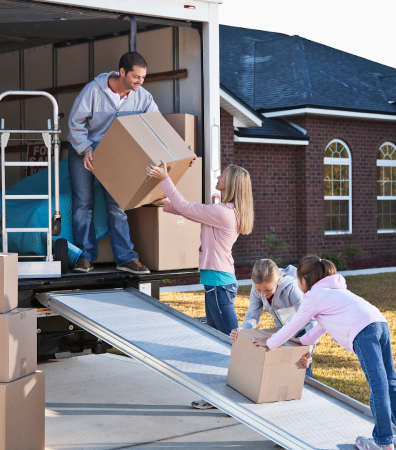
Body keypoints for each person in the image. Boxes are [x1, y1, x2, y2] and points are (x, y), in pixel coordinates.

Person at [251, 256, 396, 450]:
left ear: (304, 281)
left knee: (379, 387)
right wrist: (303, 341)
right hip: (380, 323)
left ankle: (383, 442)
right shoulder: (335, 291)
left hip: (364, 332)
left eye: (298, 280)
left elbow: (294, 325)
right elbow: (321, 326)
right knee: (390, 384)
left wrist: (270, 342)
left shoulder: (313, 296)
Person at [146, 162, 254, 410]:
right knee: (217, 343)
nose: (218, 176)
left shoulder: (224, 211)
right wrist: (160, 203)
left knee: (231, 344)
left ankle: (238, 399)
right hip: (216, 283)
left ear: (232, 183)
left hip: (218, 284)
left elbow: (187, 207)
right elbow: (186, 210)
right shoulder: (225, 210)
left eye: (223, 175)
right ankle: (218, 397)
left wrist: (165, 179)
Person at [67, 51, 158, 274]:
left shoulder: (143, 97)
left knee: (117, 206)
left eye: (143, 77)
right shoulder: (93, 91)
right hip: (84, 151)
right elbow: (74, 123)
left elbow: (155, 126)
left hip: (116, 155)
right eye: (136, 77)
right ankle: (84, 257)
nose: (140, 82)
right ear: (123, 72)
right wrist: (85, 149)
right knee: (83, 204)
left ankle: (126, 258)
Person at [229, 259, 317, 378]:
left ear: (278, 281)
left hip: (302, 331)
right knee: (284, 371)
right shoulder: (256, 289)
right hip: (282, 331)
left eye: (268, 290)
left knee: (302, 372)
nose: (263, 294)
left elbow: (310, 320)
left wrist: (309, 348)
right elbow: (252, 316)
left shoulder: (291, 289)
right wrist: (242, 330)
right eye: (259, 290)